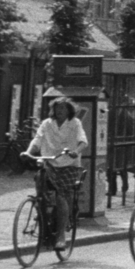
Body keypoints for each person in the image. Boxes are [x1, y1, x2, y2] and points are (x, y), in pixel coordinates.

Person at [23, 97, 88, 250]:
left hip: (69, 164)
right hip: (50, 162)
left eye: (63, 108)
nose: (59, 111)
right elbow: (37, 140)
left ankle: (61, 236)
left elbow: (83, 142)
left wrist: (75, 152)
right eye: (57, 108)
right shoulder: (47, 124)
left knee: (61, 195)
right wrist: (28, 152)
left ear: (69, 111)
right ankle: (43, 209)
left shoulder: (75, 123)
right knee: (40, 180)